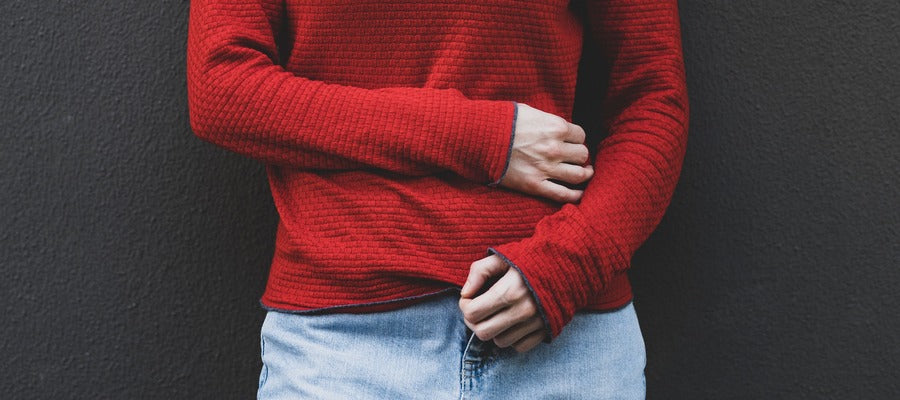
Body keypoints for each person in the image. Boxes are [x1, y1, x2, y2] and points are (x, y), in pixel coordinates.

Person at [186, 0, 688, 398]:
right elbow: (222, 86)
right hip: (343, 348)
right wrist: (481, 138)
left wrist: (569, 265)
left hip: (564, 341)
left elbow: (652, 99)